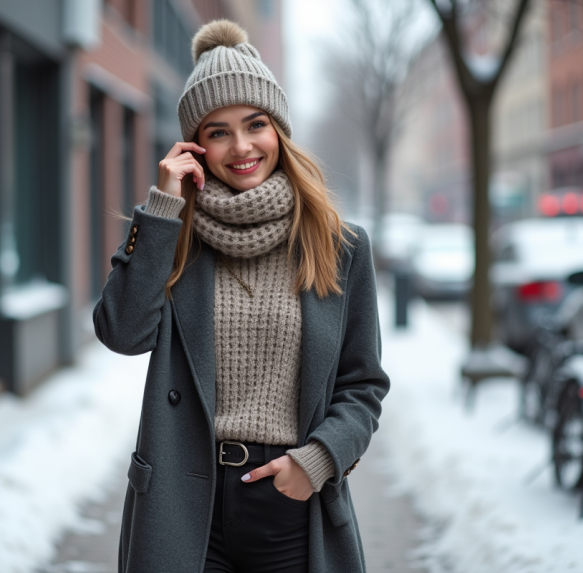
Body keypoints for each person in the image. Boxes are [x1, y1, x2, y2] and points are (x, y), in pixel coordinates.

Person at [93, 19, 390, 573]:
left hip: (292, 505)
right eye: (218, 131)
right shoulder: (176, 238)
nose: (241, 146)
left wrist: (319, 460)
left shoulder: (339, 246)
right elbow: (121, 332)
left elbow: (363, 384)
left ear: (279, 129)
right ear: (195, 146)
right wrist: (162, 210)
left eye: (255, 124)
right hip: (187, 509)